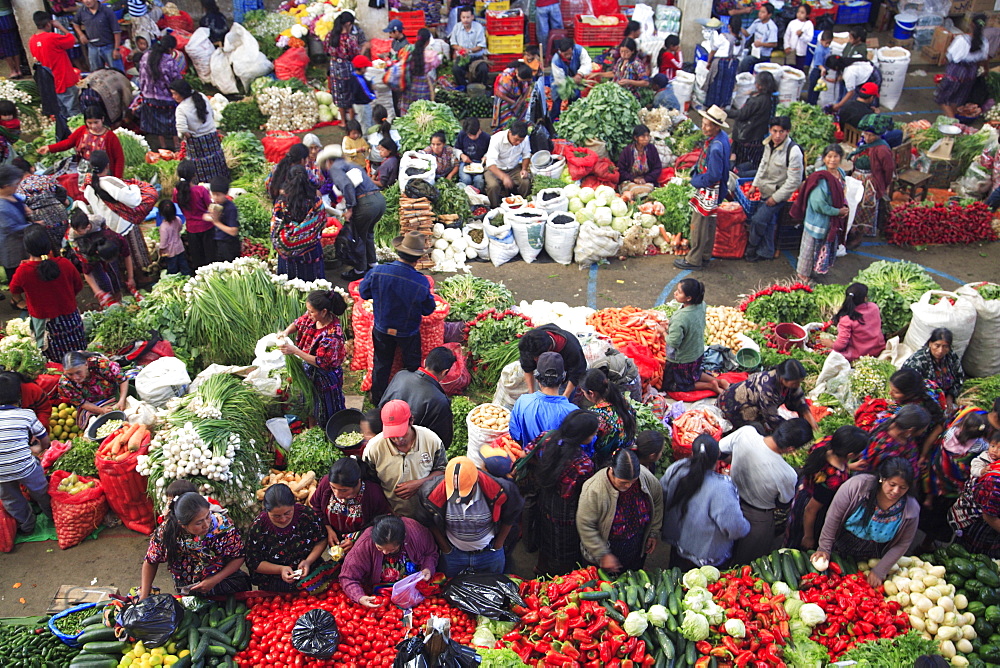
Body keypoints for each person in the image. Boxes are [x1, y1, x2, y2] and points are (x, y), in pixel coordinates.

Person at [813, 457, 919, 588]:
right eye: (892, 484)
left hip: (872, 558)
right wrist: (824, 548)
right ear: (882, 478)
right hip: (839, 544)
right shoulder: (857, 487)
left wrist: (880, 570)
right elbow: (833, 518)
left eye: (903, 487)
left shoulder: (910, 510)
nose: (896, 491)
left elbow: (903, 543)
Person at [722, 418, 813, 564]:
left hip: (730, 500)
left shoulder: (746, 433)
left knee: (724, 546)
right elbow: (783, 503)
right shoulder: (787, 474)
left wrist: (737, 461)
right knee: (748, 561)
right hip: (758, 517)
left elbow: (720, 451)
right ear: (790, 449)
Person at [358, 232, 435, 403]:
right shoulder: (421, 282)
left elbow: (363, 292)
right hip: (407, 333)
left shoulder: (378, 271)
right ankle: (408, 396)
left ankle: (377, 397)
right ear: (418, 258)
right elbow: (428, 309)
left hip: (382, 328)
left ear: (398, 252)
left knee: (382, 363)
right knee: (412, 365)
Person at [416, 456, 524, 577]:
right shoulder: (430, 493)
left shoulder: (501, 490)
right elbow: (427, 520)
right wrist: (445, 548)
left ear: (476, 481)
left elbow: (510, 516)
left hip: (489, 553)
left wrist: (498, 545)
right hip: (454, 554)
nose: (459, 499)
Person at [523, 410, 598, 575]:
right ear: (583, 436)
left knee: (545, 537)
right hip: (566, 514)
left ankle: (540, 568)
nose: (593, 437)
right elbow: (579, 495)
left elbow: (527, 453)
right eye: (593, 434)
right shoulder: (583, 464)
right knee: (564, 549)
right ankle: (559, 577)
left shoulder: (547, 437)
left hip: (544, 500)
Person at [661, 435, 749, 569]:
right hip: (705, 557)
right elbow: (735, 528)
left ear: (692, 452)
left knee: (676, 580)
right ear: (718, 455)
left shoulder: (677, 469)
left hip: (678, 545)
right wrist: (748, 526)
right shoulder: (721, 488)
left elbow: (662, 497)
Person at [141, 492, 250, 599]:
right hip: (188, 588)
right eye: (199, 523)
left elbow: (239, 556)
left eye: (208, 516)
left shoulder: (222, 527)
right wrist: (143, 596)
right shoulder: (166, 532)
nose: (206, 524)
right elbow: (151, 561)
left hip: (224, 582)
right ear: (182, 525)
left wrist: (214, 580)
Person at [577, 448, 663, 573]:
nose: (628, 486)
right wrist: (602, 554)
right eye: (623, 482)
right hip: (607, 546)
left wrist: (653, 532)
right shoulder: (594, 489)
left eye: (632, 482)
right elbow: (585, 525)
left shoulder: (645, 477)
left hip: (635, 543)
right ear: (612, 470)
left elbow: (657, 501)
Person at [785, 426, 868, 550]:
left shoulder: (824, 443)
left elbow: (825, 466)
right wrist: (808, 536)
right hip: (811, 510)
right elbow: (810, 510)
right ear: (850, 454)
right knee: (799, 543)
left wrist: (849, 467)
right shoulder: (832, 481)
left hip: (804, 490)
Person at [9, 227, 85, 364]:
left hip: (46, 326)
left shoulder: (23, 271)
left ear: (27, 248)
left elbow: (14, 290)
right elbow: (78, 285)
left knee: (56, 363)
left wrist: (20, 302)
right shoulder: (64, 264)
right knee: (78, 358)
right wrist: (66, 296)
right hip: (71, 320)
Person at [363, 400, 447, 516]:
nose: (398, 440)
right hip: (392, 512)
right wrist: (386, 509)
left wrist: (420, 484)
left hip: (429, 511)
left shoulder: (432, 440)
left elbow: (442, 471)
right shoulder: (373, 449)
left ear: (411, 421)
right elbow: (370, 485)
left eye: (402, 434)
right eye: (393, 436)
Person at [278, 290, 348, 426]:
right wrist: (285, 332)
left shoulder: (332, 335)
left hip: (325, 377)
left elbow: (321, 362)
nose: (308, 314)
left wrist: (295, 351)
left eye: (311, 311)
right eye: (308, 310)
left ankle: (328, 429)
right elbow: (298, 322)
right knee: (310, 400)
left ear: (324, 312)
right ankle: (312, 426)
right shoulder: (312, 318)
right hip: (310, 371)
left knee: (326, 407)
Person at [674, 106, 731, 272]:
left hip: (709, 188)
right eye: (703, 123)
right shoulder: (722, 139)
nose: (704, 127)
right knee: (710, 222)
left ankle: (694, 259)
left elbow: (713, 175)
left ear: (716, 127)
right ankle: (705, 255)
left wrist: (695, 181)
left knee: (699, 223)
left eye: (707, 125)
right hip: (716, 187)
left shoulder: (715, 148)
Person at [317, 144, 386, 282]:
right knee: (367, 234)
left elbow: (347, 185)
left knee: (358, 237)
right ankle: (372, 264)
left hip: (366, 204)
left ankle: (359, 270)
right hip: (379, 201)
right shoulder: (350, 164)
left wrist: (350, 208)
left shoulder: (335, 168)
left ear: (328, 161)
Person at [339, 515, 438, 607]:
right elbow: (347, 576)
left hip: (414, 591)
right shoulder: (365, 544)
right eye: (380, 548)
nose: (386, 552)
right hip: (381, 597)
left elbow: (430, 552)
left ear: (402, 540)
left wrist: (427, 568)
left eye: (392, 550)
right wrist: (359, 597)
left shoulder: (415, 532)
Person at [923, 410, 990, 543]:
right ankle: (928, 542)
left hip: (936, 474)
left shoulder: (950, 433)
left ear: (962, 426)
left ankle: (929, 498)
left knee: (929, 504)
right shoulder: (980, 446)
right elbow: (973, 465)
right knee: (941, 516)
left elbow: (939, 449)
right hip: (953, 488)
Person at [244, 484, 326, 592]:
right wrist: (280, 569)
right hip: (275, 581)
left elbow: (321, 539)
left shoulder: (306, 515)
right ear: (266, 510)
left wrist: (308, 561)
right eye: (276, 516)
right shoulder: (258, 527)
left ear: (294, 504)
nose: (283, 519)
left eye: (288, 513)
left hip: (311, 573)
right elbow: (254, 562)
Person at [744, 116, 804, 263]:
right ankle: (766, 252)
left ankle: (751, 248)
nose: (777, 135)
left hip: (779, 194)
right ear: (770, 130)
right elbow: (763, 165)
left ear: (787, 132)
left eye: (781, 132)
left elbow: (794, 181)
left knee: (758, 220)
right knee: (769, 222)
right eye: (775, 131)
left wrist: (776, 198)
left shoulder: (794, 152)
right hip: (765, 189)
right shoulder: (768, 144)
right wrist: (754, 185)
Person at [0, 373, 52, 535]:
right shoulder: (26, 414)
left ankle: (27, 525)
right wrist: (40, 449)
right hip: (25, 467)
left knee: (11, 500)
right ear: (19, 397)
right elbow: (45, 440)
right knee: (41, 491)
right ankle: (52, 516)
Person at [660, 278, 729, 396]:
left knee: (675, 385)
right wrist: (671, 326)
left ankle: (711, 385)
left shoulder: (680, 317)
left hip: (683, 360)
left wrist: (663, 332)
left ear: (689, 298)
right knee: (695, 372)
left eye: (679, 292)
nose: (675, 293)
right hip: (697, 352)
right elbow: (689, 326)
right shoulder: (701, 305)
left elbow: (674, 342)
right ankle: (719, 381)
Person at [380, 346, 456, 451]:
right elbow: (442, 441)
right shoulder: (440, 401)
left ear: (425, 362)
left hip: (384, 434)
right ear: (444, 372)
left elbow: (382, 405)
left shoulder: (401, 375)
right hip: (411, 449)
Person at [310, 457, 392, 553]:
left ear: (358, 483)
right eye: (333, 488)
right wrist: (328, 529)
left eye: (344, 490)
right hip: (334, 539)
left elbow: (381, 522)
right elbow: (316, 506)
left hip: (362, 544)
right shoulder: (325, 483)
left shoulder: (373, 493)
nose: (337, 494)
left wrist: (356, 539)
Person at [793, 143, 849, 282]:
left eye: (836, 156)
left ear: (841, 158)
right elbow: (818, 205)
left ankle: (815, 271)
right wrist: (837, 211)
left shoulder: (840, 174)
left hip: (830, 221)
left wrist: (844, 208)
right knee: (809, 249)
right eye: (829, 156)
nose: (832, 160)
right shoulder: (820, 178)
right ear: (824, 158)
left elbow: (842, 193)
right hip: (818, 221)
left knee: (822, 249)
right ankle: (803, 276)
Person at [718, 359, 820, 434]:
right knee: (758, 432)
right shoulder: (767, 388)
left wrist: (809, 417)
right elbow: (772, 418)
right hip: (733, 407)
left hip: (756, 403)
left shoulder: (789, 381)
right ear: (782, 379)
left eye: (799, 382)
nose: (797, 385)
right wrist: (795, 432)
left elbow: (798, 397)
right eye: (795, 383)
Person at [66, 210, 133, 307]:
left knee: (114, 274)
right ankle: (108, 302)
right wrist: (97, 291)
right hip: (85, 245)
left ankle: (118, 298)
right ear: (97, 254)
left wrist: (130, 278)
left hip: (100, 239)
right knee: (101, 278)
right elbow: (87, 272)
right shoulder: (84, 250)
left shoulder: (117, 238)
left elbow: (127, 255)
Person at [270, 165, 326, 281]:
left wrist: (292, 238)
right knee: (313, 288)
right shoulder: (316, 203)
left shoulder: (281, 203)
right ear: (306, 180)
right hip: (310, 255)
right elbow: (322, 225)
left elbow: (275, 228)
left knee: (290, 290)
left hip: (288, 260)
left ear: (288, 180)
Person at [510, 352, 577, 447]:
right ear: (563, 378)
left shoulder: (523, 401)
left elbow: (515, 435)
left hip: (529, 458)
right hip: (559, 461)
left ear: (537, 378)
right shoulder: (573, 412)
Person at [37, 106, 124, 178]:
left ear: (102, 119)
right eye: (89, 123)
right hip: (83, 169)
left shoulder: (111, 137)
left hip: (102, 173)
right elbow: (68, 143)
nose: (93, 126)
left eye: (96, 122)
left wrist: (117, 178)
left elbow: (119, 158)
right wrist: (49, 148)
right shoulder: (82, 130)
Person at [169, 79, 228, 184]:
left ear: (182, 93)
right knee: (215, 161)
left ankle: (205, 186)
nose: (173, 97)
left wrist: (187, 136)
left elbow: (182, 129)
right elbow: (211, 114)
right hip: (212, 136)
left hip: (197, 141)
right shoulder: (201, 96)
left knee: (201, 166)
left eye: (174, 94)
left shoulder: (181, 109)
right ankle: (221, 182)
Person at [846, 114, 894, 239]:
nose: (867, 137)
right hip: (857, 177)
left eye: (871, 135)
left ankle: (863, 229)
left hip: (869, 182)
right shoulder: (863, 145)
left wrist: (885, 184)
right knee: (853, 202)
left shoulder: (882, 149)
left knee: (865, 204)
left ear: (878, 135)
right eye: (865, 134)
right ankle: (852, 227)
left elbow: (888, 169)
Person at [30, 11, 80, 125]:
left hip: (50, 84)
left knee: (62, 114)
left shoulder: (32, 40)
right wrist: (61, 27)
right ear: (48, 24)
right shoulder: (52, 37)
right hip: (64, 79)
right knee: (74, 113)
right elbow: (73, 40)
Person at [582, 368, 638, 467]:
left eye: (583, 392)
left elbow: (590, 445)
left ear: (591, 393)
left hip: (610, 462)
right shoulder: (621, 400)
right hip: (628, 453)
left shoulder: (596, 415)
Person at [858, 404, 932, 476]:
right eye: (923, 430)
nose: (923, 433)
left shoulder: (887, 423)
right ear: (910, 430)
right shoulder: (891, 447)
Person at [937, 15, 989, 117]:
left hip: (956, 71)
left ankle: (953, 123)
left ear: (971, 24)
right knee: (957, 99)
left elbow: (950, 56)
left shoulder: (961, 39)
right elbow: (984, 59)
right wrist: (986, 70)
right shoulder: (984, 42)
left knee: (943, 99)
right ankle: (953, 117)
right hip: (971, 73)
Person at [518, 323, 587, 398]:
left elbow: (576, 373)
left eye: (537, 358)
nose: (534, 360)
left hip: (565, 377)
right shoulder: (529, 344)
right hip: (542, 377)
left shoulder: (572, 348)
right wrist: (531, 394)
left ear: (548, 350)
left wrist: (565, 397)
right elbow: (527, 368)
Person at [138, 34, 182, 150]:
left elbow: (141, 77)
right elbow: (176, 81)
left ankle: (163, 147)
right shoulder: (169, 61)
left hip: (149, 99)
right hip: (167, 101)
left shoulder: (146, 56)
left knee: (157, 125)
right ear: (170, 49)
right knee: (173, 122)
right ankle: (176, 144)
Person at [903, 328, 966, 409]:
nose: (940, 351)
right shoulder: (918, 361)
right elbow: (912, 388)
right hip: (924, 401)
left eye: (945, 346)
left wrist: (950, 396)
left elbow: (959, 378)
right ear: (930, 344)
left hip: (947, 398)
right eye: (937, 345)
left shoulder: (951, 357)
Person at [13, 159, 68, 250]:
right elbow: (65, 199)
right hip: (59, 212)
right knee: (67, 242)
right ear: (31, 169)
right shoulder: (47, 178)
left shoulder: (18, 189)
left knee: (54, 248)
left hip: (40, 219)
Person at [728, 71, 776, 171]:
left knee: (741, 164)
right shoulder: (772, 98)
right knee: (753, 161)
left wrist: (724, 112)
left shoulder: (756, 101)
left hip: (747, 136)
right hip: (758, 135)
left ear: (760, 85)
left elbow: (741, 114)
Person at [172, 160, 214, 269]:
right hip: (206, 228)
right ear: (194, 175)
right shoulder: (200, 190)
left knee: (198, 258)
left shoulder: (176, 192)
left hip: (191, 229)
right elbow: (210, 207)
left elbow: (177, 205)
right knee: (211, 257)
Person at [829, 283, 885, 361]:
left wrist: (831, 344)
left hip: (860, 354)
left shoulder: (847, 319)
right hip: (879, 348)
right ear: (865, 298)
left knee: (830, 353)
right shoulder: (874, 307)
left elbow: (840, 345)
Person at [484, 120, 532, 209]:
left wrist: (524, 169)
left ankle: (522, 205)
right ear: (510, 132)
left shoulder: (525, 139)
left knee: (525, 182)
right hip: (495, 168)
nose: (518, 143)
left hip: (513, 168)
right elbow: (490, 163)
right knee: (492, 186)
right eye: (516, 139)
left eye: (520, 141)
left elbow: (526, 155)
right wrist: (504, 177)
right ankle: (495, 208)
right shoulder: (496, 138)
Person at [0, 164, 30, 307]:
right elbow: (10, 228)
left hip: (21, 242)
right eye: (14, 184)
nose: (17, 186)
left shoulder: (12, 195)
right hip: (10, 245)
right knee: (14, 273)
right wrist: (34, 226)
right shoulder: (1, 206)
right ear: (5, 185)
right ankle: (16, 299)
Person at [326, 12, 362, 123]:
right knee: (349, 93)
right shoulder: (349, 39)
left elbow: (326, 51)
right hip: (346, 67)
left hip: (334, 66)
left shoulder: (329, 36)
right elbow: (356, 52)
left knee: (338, 93)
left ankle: (343, 121)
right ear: (347, 24)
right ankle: (351, 121)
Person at [549, 38, 594, 122]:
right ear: (560, 51)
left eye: (569, 53)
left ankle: (572, 119)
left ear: (573, 48)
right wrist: (572, 79)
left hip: (577, 79)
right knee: (557, 101)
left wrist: (580, 74)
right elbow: (559, 79)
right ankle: (553, 120)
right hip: (559, 82)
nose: (568, 56)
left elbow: (587, 64)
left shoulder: (580, 50)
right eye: (565, 54)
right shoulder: (556, 60)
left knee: (575, 101)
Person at [73, 0, 123, 72]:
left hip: (108, 47)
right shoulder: (82, 11)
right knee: (96, 74)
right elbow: (75, 23)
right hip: (93, 47)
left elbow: (117, 31)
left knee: (117, 72)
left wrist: (116, 49)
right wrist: (81, 35)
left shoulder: (107, 11)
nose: (87, 1)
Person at [704, 16, 741, 109]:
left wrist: (709, 62)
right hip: (733, 64)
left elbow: (713, 50)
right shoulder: (741, 39)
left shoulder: (723, 37)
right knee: (728, 85)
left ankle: (712, 107)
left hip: (721, 63)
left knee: (716, 85)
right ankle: (723, 107)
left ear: (729, 27)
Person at [401, 29, 440, 115]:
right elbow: (437, 63)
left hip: (410, 86)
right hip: (423, 87)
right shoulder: (431, 56)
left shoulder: (408, 52)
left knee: (408, 115)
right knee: (422, 114)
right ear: (428, 41)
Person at [448, 6, 487, 89]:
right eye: (463, 17)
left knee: (483, 69)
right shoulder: (457, 27)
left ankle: (477, 87)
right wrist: (459, 48)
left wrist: (469, 51)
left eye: (468, 17)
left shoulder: (478, 27)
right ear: (460, 18)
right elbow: (453, 43)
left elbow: (481, 46)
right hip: (462, 57)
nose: (465, 20)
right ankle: (464, 88)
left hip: (476, 57)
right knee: (456, 69)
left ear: (472, 17)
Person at [617, 124, 662, 194]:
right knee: (633, 190)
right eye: (643, 136)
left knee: (647, 190)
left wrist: (646, 179)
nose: (646, 139)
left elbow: (657, 168)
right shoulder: (627, 151)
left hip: (647, 180)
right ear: (636, 138)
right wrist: (633, 179)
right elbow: (621, 169)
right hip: (630, 181)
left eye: (648, 136)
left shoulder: (651, 149)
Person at [206, 177, 239, 262]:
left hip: (228, 244)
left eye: (218, 194)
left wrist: (216, 222)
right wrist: (211, 216)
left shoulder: (230, 208)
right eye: (213, 194)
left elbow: (234, 231)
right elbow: (205, 217)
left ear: (226, 193)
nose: (215, 197)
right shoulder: (215, 205)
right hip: (216, 241)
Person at [492, 63, 534, 129]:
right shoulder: (507, 78)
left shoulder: (527, 75)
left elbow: (529, 86)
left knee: (523, 114)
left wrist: (523, 99)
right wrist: (512, 102)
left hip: (518, 97)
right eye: (523, 80)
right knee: (508, 120)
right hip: (504, 98)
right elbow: (499, 93)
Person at [739, 3, 778, 73]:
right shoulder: (757, 22)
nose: (760, 14)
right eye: (760, 11)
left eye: (763, 12)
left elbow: (774, 44)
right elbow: (747, 34)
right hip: (754, 51)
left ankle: (745, 76)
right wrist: (739, 27)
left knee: (746, 61)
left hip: (763, 54)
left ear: (769, 15)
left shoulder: (772, 27)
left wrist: (761, 44)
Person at [155, 199, 190, 276]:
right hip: (180, 247)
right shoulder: (178, 219)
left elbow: (163, 242)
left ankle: (173, 276)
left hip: (170, 251)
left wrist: (161, 250)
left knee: (172, 267)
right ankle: (187, 275)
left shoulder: (163, 227)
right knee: (183, 263)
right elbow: (180, 228)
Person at [454, 117, 488, 191]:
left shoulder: (486, 137)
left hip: (479, 164)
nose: (472, 137)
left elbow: (490, 152)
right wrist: (461, 155)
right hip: (465, 163)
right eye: (470, 135)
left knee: (479, 181)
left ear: (479, 129)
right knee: (466, 179)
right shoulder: (462, 134)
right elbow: (456, 148)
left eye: (475, 135)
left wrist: (485, 157)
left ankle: (477, 196)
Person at [366, 105, 400, 173]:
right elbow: (398, 145)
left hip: (376, 160)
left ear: (373, 118)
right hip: (392, 160)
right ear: (386, 116)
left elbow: (370, 145)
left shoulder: (371, 130)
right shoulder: (394, 129)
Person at [807, 30, 833, 106]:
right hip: (816, 72)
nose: (827, 45)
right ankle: (810, 104)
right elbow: (818, 63)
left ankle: (814, 103)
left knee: (818, 90)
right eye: (826, 43)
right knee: (813, 90)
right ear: (821, 40)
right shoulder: (819, 50)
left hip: (822, 72)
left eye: (829, 43)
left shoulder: (827, 49)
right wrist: (823, 68)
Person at [783, 4, 813, 71]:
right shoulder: (792, 23)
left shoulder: (809, 25)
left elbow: (809, 39)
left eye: (802, 13)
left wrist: (801, 35)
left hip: (801, 52)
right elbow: (787, 35)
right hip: (790, 50)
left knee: (798, 69)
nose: (799, 14)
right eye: (798, 12)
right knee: (788, 68)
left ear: (807, 15)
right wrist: (786, 46)